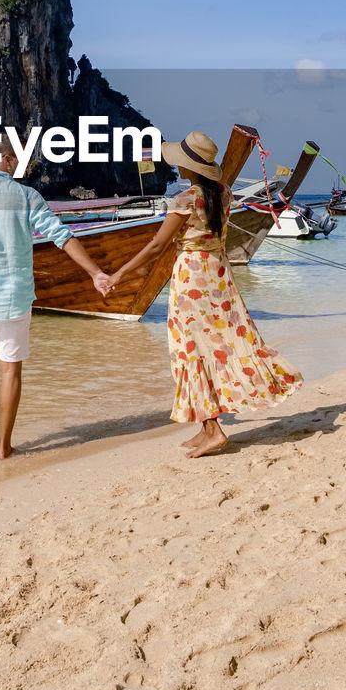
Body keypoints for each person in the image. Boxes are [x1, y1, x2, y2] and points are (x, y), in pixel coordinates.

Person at [107, 130, 303, 458]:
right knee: (216, 346)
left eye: (181, 163)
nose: (178, 167)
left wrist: (120, 273)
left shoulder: (185, 200)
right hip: (219, 274)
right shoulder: (223, 193)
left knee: (190, 350)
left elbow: (157, 245)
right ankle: (205, 427)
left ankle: (212, 430)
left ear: (191, 167)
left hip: (192, 280)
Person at [0, 138, 112, 464]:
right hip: (15, 295)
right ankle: (4, 447)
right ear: (6, 159)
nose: (27, 165)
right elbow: (61, 236)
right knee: (10, 371)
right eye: (22, 159)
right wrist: (95, 272)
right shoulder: (26, 196)